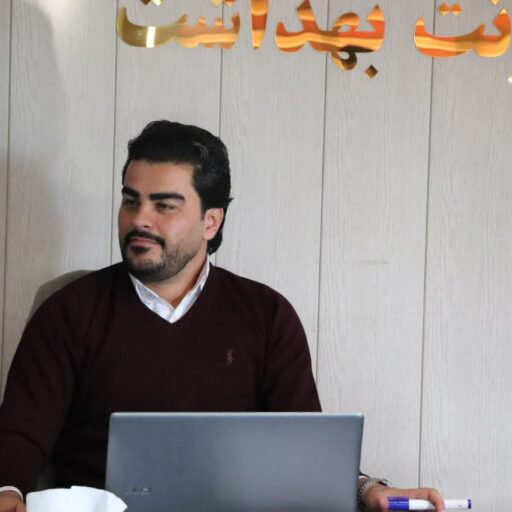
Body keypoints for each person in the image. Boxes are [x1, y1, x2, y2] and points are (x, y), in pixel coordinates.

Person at [0, 121, 444, 512]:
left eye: (164, 205)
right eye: (131, 201)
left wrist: (365, 489)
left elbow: (303, 450)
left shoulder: (266, 316)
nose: (140, 220)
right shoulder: (69, 310)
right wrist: (7, 490)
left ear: (211, 221)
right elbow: (20, 435)